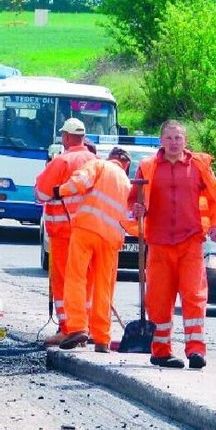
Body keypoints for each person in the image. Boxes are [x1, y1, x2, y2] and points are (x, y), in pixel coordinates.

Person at [129, 120, 216, 369]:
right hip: (159, 243)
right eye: (169, 138)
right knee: (159, 299)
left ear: (185, 141)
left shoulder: (198, 166)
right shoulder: (148, 167)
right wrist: (138, 209)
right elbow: (133, 202)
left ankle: (196, 351)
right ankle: (161, 352)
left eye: (178, 138)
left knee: (194, 296)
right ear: (161, 141)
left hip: (190, 242)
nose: (174, 143)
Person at [54, 147, 132, 353]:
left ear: (111, 158)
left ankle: (78, 327)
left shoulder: (99, 165)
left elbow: (79, 183)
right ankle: (102, 339)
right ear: (127, 165)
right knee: (104, 287)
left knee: (76, 278)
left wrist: (58, 191)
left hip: (86, 229)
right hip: (111, 239)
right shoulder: (127, 183)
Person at [34, 118, 97, 346]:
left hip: (63, 233)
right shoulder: (96, 161)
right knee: (86, 282)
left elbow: (40, 193)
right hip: (90, 233)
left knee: (64, 282)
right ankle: (85, 327)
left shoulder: (62, 162)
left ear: (66, 138)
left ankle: (68, 328)